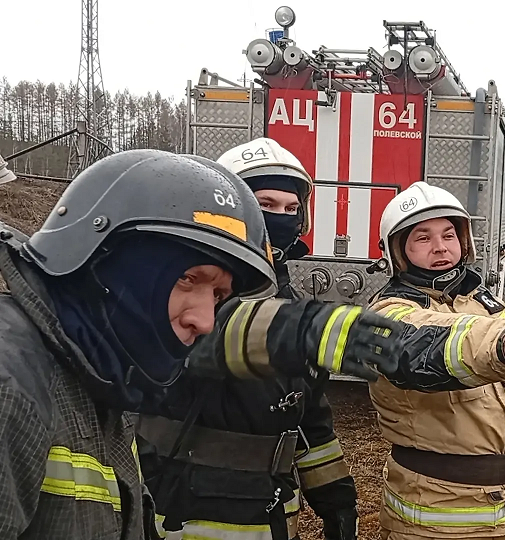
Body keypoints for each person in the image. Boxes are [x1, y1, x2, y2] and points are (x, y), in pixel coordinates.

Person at [0, 149, 278, 539]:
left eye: (218, 295)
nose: (205, 321)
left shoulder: (105, 379)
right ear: (104, 261)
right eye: (187, 278)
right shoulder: (11, 384)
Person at [136, 139, 366, 540]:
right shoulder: (187, 290)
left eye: (291, 209)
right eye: (266, 204)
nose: (281, 218)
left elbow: (309, 418)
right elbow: (208, 346)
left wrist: (337, 502)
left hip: (272, 518)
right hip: (185, 515)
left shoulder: (289, 300)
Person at [369, 181, 505, 540]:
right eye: (423, 238)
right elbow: (433, 343)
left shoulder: (482, 301)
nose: (440, 247)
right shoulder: (386, 314)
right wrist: (503, 341)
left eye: (449, 235)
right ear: (398, 251)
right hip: (437, 520)